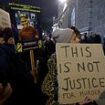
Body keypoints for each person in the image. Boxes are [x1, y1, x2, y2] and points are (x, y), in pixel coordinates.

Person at [42, 28, 98, 105]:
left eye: (77, 37)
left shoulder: (82, 57)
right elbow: (48, 88)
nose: (78, 40)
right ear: (66, 44)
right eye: (74, 39)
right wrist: (75, 100)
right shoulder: (56, 62)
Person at [0, 27, 40, 105]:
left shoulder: (13, 50)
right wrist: (30, 75)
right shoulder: (10, 51)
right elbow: (16, 73)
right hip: (21, 91)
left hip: (25, 89)